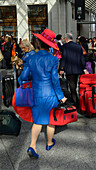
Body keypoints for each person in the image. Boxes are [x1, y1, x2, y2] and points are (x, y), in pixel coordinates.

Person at [18, 29, 67, 159]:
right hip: (50, 94)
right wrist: (61, 96)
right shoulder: (53, 59)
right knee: (51, 120)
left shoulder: (31, 58)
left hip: (36, 93)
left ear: (38, 43)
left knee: (37, 121)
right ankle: (49, 143)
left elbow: (23, 77)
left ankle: (32, 145)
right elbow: (55, 80)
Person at [59, 33, 87, 108]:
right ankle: (74, 99)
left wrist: (62, 68)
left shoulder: (64, 47)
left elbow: (63, 58)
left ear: (66, 39)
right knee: (74, 85)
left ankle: (75, 101)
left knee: (72, 86)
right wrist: (84, 68)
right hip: (78, 69)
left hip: (69, 70)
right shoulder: (78, 46)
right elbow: (82, 58)